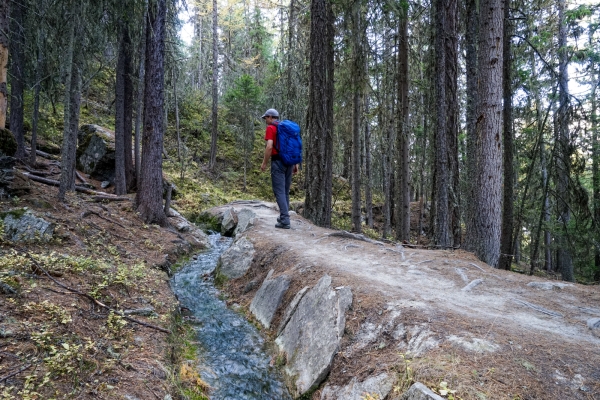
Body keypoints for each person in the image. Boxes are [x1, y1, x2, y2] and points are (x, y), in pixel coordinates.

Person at [260, 108, 298, 229]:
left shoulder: (271, 128)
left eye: (266, 118)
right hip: (289, 161)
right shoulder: (287, 128)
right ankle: (284, 216)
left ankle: (285, 220)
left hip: (278, 162)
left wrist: (264, 162)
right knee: (285, 191)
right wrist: (295, 163)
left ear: (271, 117)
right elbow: (294, 146)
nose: (265, 120)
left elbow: (269, 146)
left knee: (279, 191)